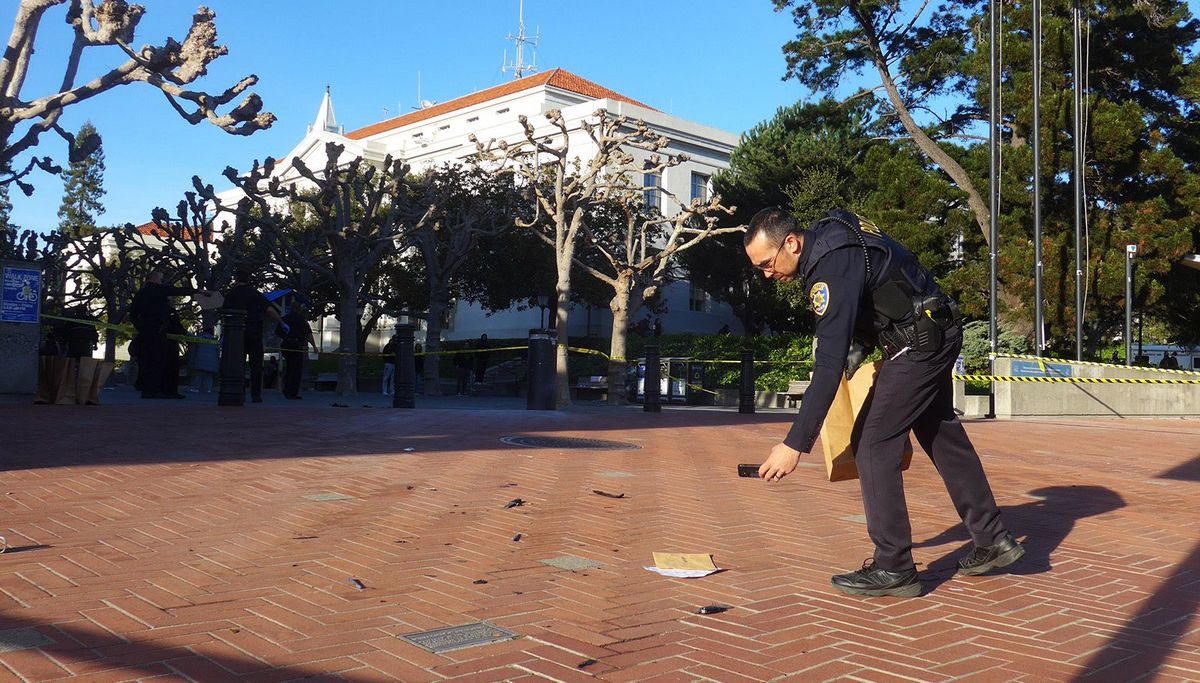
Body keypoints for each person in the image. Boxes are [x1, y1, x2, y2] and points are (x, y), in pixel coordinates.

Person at [745, 207, 1023, 598]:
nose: (766, 274)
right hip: (934, 329)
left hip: (918, 344)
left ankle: (894, 567)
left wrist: (794, 444)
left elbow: (826, 365)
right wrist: (862, 341)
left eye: (767, 264)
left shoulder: (829, 267)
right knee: (941, 435)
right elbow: (879, 284)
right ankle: (993, 540)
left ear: (791, 243)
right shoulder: (832, 237)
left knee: (872, 444)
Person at [130, 270, 201, 399]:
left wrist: (140, 327)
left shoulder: (140, 294)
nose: (161, 281)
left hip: (146, 331)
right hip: (158, 330)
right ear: (156, 279)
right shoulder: (157, 290)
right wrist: (197, 291)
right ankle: (160, 390)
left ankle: (150, 389)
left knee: (148, 361)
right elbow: (175, 290)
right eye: (161, 279)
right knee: (160, 361)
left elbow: (133, 314)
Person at [222, 267, 286, 403]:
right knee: (256, 365)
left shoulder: (230, 294)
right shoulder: (255, 294)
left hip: (235, 333)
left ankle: (237, 390)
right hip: (254, 331)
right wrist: (281, 322)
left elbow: (224, 312)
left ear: (236, 279)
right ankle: (256, 394)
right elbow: (269, 309)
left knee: (237, 363)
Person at [277, 300, 316, 399]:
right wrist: (314, 346)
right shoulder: (301, 320)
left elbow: (278, 332)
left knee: (289, 367)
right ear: (299, 309)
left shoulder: (284, 319)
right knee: (296, 370)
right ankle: (292, 392)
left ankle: (286, 389)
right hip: (297, 346)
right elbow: (308, 335)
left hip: (286, 345)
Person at [189, 326, 219, 393]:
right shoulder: (214, 341)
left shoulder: (199, 339)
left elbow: (194, 348)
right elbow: (217, 352)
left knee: (199, 375)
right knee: (209, 376)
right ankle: (208, 389)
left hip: (200, 360)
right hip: (211, 362)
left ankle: (195, 388)